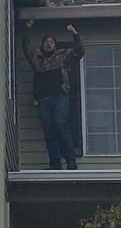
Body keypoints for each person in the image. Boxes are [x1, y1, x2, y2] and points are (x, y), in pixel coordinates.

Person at [24, 21, 84, 169]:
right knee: (49, 131)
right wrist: (28, 28)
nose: (49, 44)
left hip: (60, 97)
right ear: (42, 45)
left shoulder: (62, 56)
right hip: (43, 100)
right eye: (46, 41)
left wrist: (75, 34)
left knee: (60, 124)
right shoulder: (37, 59)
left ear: (55, 45)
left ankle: (71, 160)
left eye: (51, 42)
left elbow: (79, 52)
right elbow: (26, 47)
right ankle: (55, 163)